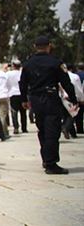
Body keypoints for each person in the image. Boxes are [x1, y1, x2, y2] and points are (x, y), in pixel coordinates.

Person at [20, 36, 77, 175]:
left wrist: (24, 100)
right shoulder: (56, 63)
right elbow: (66, 82)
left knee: (42, 130)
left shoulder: (28, 64)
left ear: (35, 46)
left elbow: (22, 83)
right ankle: (51, 163)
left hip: (36, 100)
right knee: (52, 130)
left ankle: (46, 158)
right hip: (51, 99)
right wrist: (73, 98)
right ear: (49, 46)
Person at [7, 60, 27, 134]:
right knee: (23, 112)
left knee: (14, 112)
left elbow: (7, 84)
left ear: (13, 65)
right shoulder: (22, 72)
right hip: (21, 93)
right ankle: (24, 128)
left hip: (13, 93)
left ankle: (16, 127)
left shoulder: (9, 74)